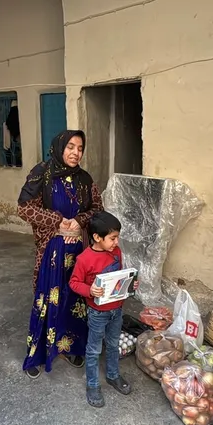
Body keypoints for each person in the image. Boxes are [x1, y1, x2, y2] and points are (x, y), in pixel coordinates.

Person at [17, 130, 104, 379]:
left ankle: (71, 346)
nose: (76, 153)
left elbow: (97, 208)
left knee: (74, 298)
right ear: (59, 148)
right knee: (47, 298)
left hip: (78, 250)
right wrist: (57, 222)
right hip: (52, 250)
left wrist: (79, 221)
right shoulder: (42, 173)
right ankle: (38, 354)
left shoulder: (85, 179)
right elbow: (24, 208)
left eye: (80, 148)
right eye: (70, 147)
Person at [69, 211, 136, 407]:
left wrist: (130, 284)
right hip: (97, 313)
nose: (116, 242)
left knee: (113, 345)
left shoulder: (116, 252)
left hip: (117, 309)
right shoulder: (84, 259)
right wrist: (89, 290)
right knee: (94, 349)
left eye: (117, 237)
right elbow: (74, 282)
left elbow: (118, 278)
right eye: (112, 238)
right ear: (97, 237)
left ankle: (113, 375)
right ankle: (92, 385)